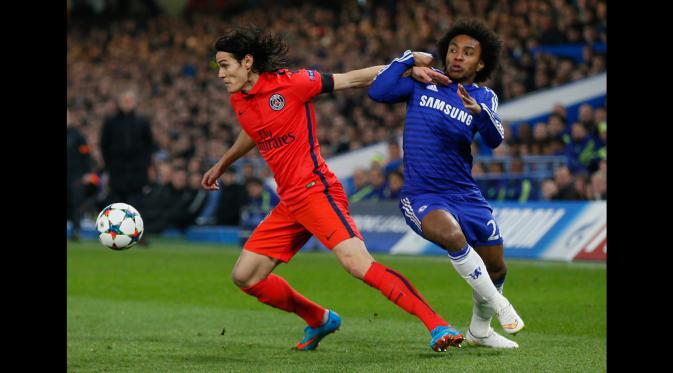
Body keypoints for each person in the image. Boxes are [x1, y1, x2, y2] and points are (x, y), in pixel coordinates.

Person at [201, 26, 463, 352]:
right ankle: (319, 319)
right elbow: (253, 130)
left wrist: (406, 67)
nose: (221, 74)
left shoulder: (293, 83)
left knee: (356, 263)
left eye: (225, 65)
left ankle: (437, 324)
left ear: (247, 62)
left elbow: (352, 79)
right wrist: (222, 164)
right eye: (219, 67)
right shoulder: (238, 98)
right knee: (245, 276)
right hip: (290, 202)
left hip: (316, 189)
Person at [368, 19, 525, 349]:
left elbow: (496, 139)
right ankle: (500, 305)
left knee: (496, 266)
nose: (457, 57)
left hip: (465, 194)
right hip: (422, 193)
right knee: (453, 236)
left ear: (480, 63)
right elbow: (377, 91)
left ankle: (480, 331)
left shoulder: (485, 96)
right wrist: (410, 59)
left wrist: (479, 113)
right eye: (453, 50)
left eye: (468, 53)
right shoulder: (424, 83)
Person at [100, 89, 155, 211]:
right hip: (117, 169)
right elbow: (104, 145)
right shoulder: (110, 121)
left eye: (130, 101)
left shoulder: (142, 121)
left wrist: (146, 164)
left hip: (137, 170)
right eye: (125, 101)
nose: (127, 104)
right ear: (119, 103)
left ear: (135, 102)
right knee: (117, 202)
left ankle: (136, 228)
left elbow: (149, 145)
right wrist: (109, 166)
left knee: (136, 202)